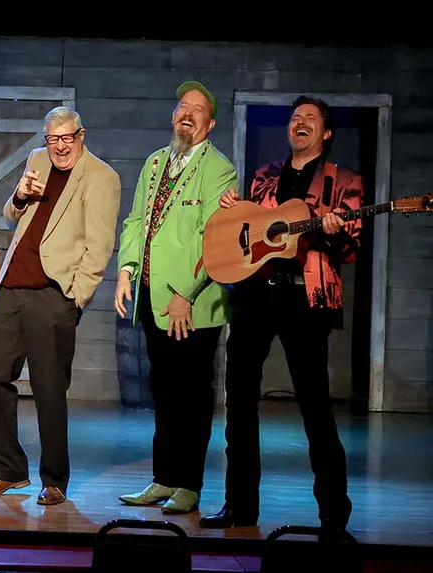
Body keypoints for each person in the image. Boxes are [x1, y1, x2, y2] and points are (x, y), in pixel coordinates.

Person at [200, 95, 360, 534]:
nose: (300, 123)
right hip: (256, 297)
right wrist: (236, 216)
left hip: (305, 300)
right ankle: (239, 507)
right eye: (295, 118)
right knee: (240, 406)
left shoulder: (343, 182)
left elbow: (351, 249)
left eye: (310, 118)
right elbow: (249, 238)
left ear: (325, 133)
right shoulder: (265, 176)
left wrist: (331, 234)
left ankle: (333, 514)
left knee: (315, 409)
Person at [0, 106, 121, 506]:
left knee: (49, 388)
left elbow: (100, 244)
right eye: (52, 139)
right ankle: (8, 470)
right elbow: (10, 217)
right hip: (12, 286)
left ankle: (54, 479)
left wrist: (75, 297)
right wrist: (20, 196)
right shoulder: (37, 160)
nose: (58, 147)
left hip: (53, 293)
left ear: (81, 135)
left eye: (66, 138)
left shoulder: (102, 177)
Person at [115, 81, 236, 514]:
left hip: (193, 307)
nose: (188, 113)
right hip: (152, 298)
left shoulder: (218, 169)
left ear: (210, 123)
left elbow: (218, 242)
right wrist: (126, 270)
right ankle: (164, 478)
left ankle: (189, 484)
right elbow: (135, 221)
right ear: (173, 116)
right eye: (182, 106)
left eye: (198, 109)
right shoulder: (154, 163)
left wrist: (187, 294)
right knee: (163, 392)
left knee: (191, 396)